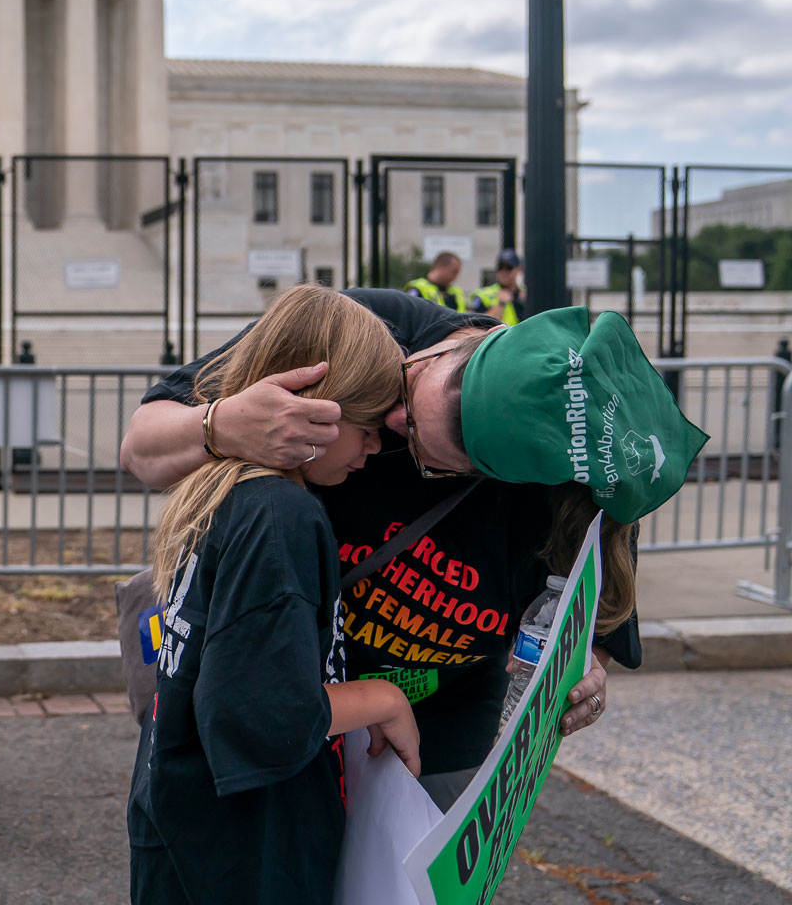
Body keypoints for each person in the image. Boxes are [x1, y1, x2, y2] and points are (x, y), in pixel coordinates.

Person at [120, 288, 706, 810]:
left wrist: (583, 677)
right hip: (288, 689)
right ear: (447, 350)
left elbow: (593, 632)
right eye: (404, 394)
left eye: (419, 445)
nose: (390, 424)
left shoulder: (563, 480)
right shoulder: (364, 330)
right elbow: (142, 449)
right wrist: (218, 424)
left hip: (437, 736)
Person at [129, 286, 419, 905]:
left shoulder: (219, 489)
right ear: (312, 409)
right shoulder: (281, 514)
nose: (374, 448)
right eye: (367, 427)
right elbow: (265, 720)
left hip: (188, 832)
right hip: (250, 855)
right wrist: (384, 698)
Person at [469, 248, 527, 325]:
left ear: (519, 270)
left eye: (508, 268)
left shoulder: (524, 294)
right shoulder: (484, 294)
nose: (503, 272)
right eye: (500, 267)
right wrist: (501, 304)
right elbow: (477, 323)